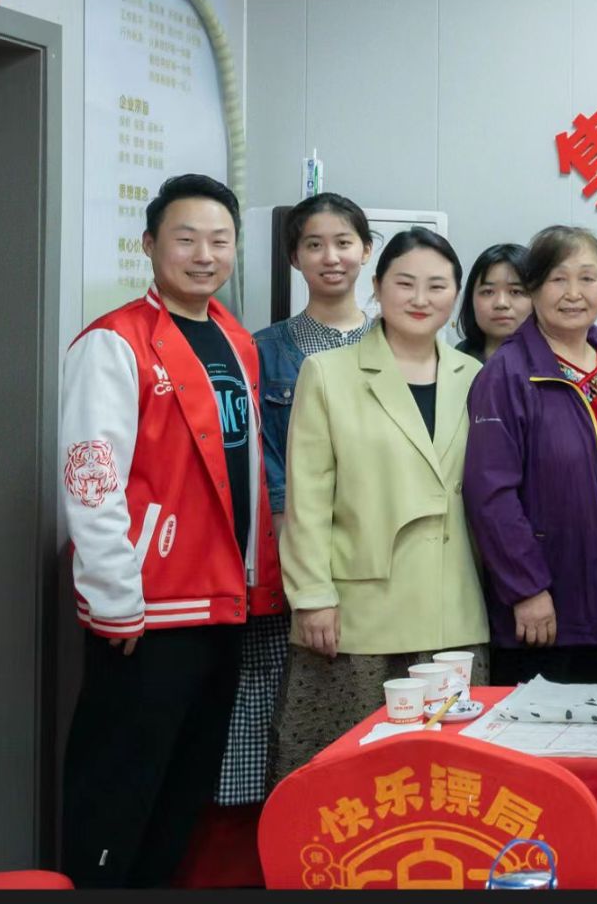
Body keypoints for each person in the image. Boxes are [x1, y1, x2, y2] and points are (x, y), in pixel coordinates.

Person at [58, 174, 281, 887]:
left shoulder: (236, 339)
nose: (204, 255)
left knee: (181, 796)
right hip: (148, 610)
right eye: (185, 239)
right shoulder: (114, 342)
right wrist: (114, 597)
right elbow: (90, 479)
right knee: (118, 793)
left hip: (222, 603)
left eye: (219, 240)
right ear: (150, 245)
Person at [270, 229, 491, 779]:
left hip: (453, 608)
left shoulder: (475, 377)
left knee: (448, 778)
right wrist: (311, 597)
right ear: (377, 286)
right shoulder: (328, 372)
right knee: (350, 777)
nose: (420, 298)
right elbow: (307, 498)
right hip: (358, 613)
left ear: (456, 294)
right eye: (405, 283)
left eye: (437, 286)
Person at [466, 226, 597, 686]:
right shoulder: (507, 373)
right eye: (558, 279)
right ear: (534, 288)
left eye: (587, 278)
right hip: (543, 603)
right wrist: (526, 588)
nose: (573, 293)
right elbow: (490, 494)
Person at [238, 192, 372, 807]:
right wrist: (303, 555)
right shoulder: (264, 349)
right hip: (301, 549)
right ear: (294, 258)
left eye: (343, 243)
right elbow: (264, 459)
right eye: (314, 245)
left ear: (365, 250)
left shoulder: (396, 340)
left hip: (380, 549)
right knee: (302, 700)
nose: (331, 257)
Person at [455, 242, 532, 361]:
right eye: (488, 292)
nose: (501, 303)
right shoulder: (455, 361)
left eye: (516, 292)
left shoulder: (554, 361)